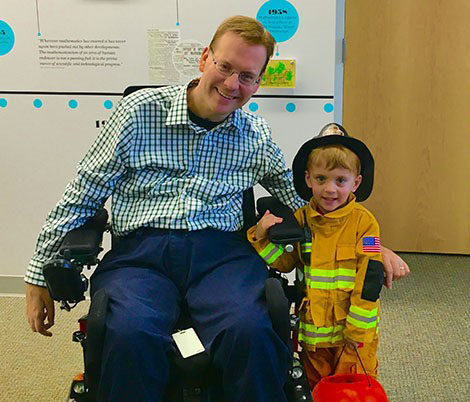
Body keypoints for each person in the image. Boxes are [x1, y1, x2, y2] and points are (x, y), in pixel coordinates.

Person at [24, 15, 409, 402]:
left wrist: (371, 244)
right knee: (129, 333)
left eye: (246, 76)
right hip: (141, 254)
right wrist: (39, 274)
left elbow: (305, 205)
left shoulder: (254, 135)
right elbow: (82, 193)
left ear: (258, 84)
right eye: (225, 67)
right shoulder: (138, 112)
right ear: (205, 57)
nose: (231, 84)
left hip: (222, 255)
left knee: (252, 331)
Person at [247, 125, 385, 388]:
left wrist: (358, 329)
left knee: (353, 386)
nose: (329, 189)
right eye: (321, 179)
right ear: (309, 179)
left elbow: (370, 276)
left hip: (352, 333)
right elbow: (286, 261)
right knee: (316, 388)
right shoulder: (301, 220)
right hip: (313, 333)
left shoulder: (365, 224)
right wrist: (261, 235)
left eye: (340, 181)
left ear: (355, 182)